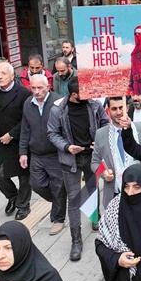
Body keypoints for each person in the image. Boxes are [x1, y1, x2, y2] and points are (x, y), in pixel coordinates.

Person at [47, 77, 109, 260]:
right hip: (70, 160)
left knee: (92, 189)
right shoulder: (58, 109)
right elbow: (52, 133)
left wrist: (98, 140)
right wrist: (67, 147)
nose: (88, 95)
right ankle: (76, 240)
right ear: (74, 94)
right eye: (84, 93)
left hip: (91, 157)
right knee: (74, 200)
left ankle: (95, 217)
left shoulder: (94, 105)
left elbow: (105, 123)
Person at [19, 74, 66, 236]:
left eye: (40, 88)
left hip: (55, 153)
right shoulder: (28, 103)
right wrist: (23, 152)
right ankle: (59, 201)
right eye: (33, 88)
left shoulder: (59, 102)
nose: (37, 91)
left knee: (58, 186)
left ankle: (58, 218)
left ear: (48, 86)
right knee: (36, 184)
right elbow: (25, 129)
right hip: (36, 154)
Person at [0, 62, 32, 220]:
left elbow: (27, 119)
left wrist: (12, 134)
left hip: (18, 139)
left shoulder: (24, 93)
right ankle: (13, 197)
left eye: (4, 74)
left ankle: (23, 205)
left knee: (23, 174)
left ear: (12, 76)